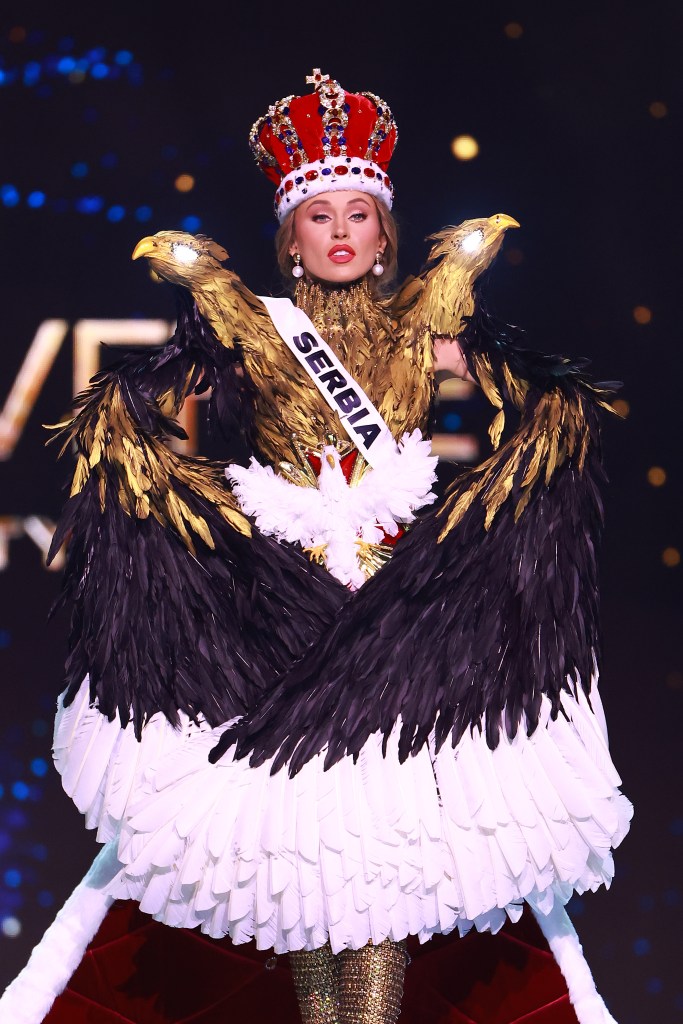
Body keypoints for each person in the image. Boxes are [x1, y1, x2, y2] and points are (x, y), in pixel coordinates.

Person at [0, 69, 632, 1024]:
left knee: (376, 859)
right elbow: (133, 416)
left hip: (396, 615)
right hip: (276, 612)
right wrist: (187, 502)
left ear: (384, 234)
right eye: (318, 215)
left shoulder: (425, 322)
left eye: (359, 214)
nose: (340, 232)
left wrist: (499, 502)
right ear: (291, 235)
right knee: (309, 859)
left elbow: (549, 404)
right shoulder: (251, 328)